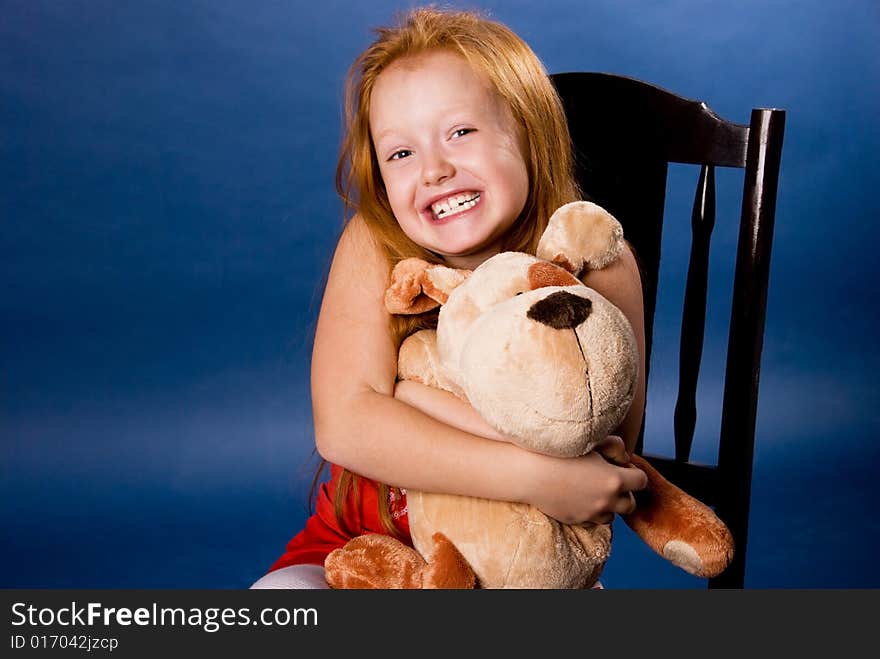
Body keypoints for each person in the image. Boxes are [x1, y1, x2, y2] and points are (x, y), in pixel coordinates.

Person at [251, 6, 648, 590]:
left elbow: (596, 447)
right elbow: (344, 426)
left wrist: (411, 399)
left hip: (519, 563)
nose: (434, 170)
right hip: (360, 552)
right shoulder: (375, 240)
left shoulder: (596, 261)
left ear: (527, 133)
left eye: (460, 132)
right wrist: (530, 474)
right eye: (401, 153)